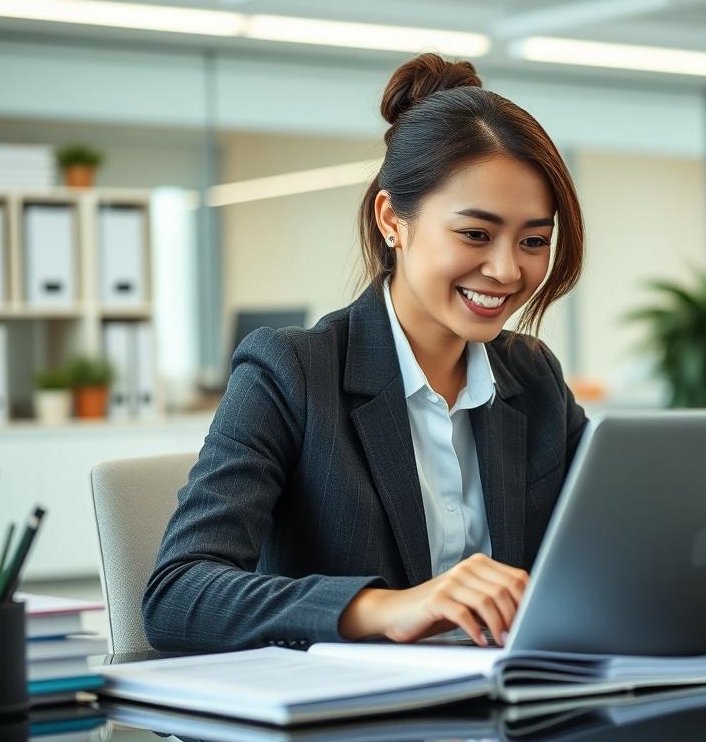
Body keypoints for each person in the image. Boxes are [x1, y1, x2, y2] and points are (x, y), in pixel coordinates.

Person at [142, 53, 587, 653]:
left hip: (498, 723)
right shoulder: (290, 373)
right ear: (391, 220)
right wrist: (387, 607)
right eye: (475, 234)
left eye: (534, 240)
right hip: (355, 736)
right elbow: (178, 596)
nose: (508, 269)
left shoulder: (532, 377)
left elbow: (607, 549)